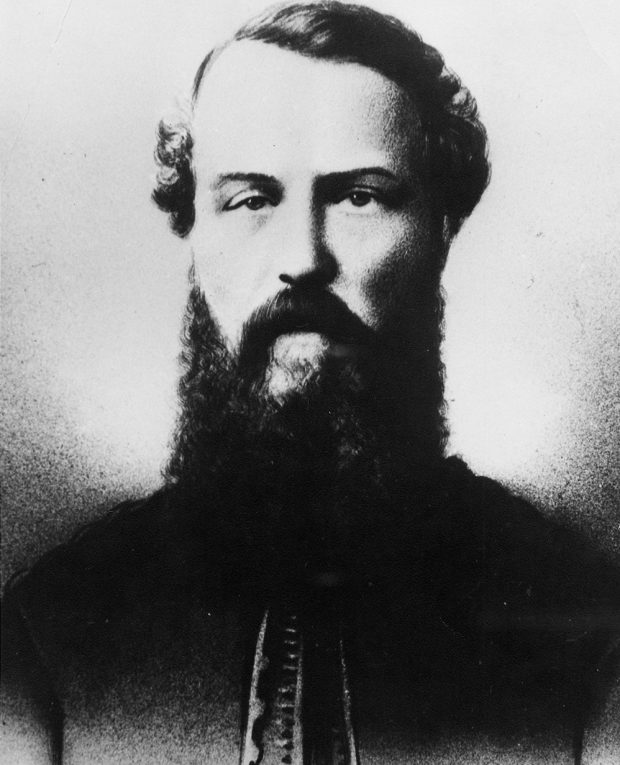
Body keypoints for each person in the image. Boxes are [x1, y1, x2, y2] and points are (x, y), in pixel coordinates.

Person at [2, 3, 619, 763]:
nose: (304, 256)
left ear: (442, 226)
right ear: (191, 229)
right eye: (251, 199)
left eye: (360, 195)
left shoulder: (593, 634)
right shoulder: (45, 637)